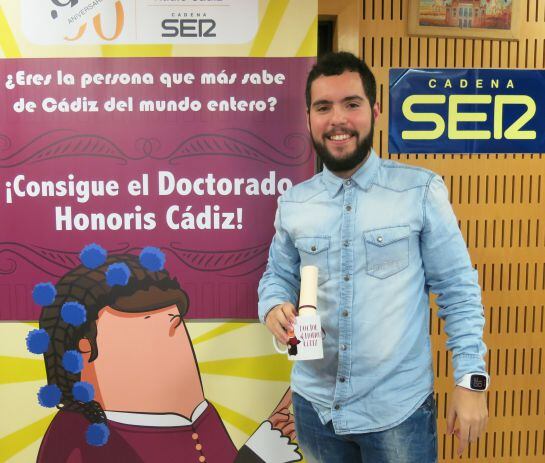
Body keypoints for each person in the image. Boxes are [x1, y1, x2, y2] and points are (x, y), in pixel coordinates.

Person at [258, 52, 489, 463]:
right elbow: (278, 274)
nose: (337, 119)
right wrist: (273, 304)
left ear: (375, 111)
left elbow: (458, 290)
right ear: (308, 117)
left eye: (351, 103)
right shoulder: (294, 203)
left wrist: (471, 380)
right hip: (315, 410)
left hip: (398, 414)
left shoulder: (419, 191)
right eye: (323, 107)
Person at [28, 244, 301, 463]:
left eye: (176, 326)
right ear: (85, 347)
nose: (174, 342)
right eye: (144, 331)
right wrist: (256, 457)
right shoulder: (80, 434)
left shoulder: (203, 417)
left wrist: (262, 448)